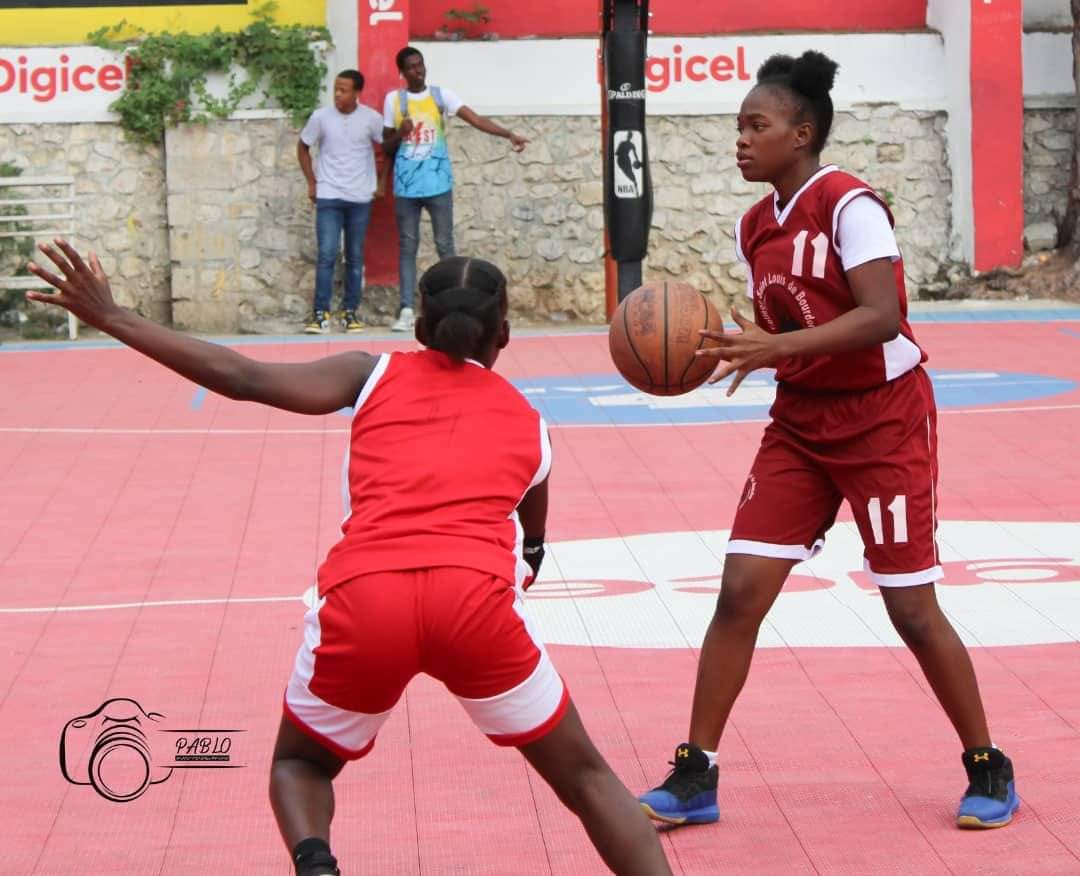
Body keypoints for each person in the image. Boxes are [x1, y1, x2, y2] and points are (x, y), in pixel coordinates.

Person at [26, 244, 673, 876]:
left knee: (299, 765)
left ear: (418, 323)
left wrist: (115, 317)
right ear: (503, 332)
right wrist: (523, 562)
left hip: (367, 597)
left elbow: (242, 377)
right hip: (474, 605)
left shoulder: (370, 374)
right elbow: (533, 538)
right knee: (588, 779)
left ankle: (317, 864)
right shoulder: (531, 424)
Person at [637, 51, 1020, 831]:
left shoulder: (849, 204)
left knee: (911, 609)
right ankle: (695, 774)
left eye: (758, 126)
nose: (741, 140)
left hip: (881, 419)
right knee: (739, 590)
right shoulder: (756, 225)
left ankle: (989, 763)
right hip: (801, 423)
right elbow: (792, 328)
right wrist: (742, 347)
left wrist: (776, 349)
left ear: (801, 133)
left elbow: (880, 315)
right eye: (739, 126)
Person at [382, 46, 528, 333]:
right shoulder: (394, 101)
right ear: (402, 72)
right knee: (408, 248)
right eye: (411, 67)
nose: (418, 70)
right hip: (406, 187)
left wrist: (508, 134)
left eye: (421, 64)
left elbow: (475, 120)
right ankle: (406, 309)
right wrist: (402, 133)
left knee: (445, 244)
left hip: (438, 184)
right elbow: (386, 146)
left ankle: (454, 301)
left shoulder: (440, 96)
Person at [298, 69, 385, 335]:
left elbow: (387, 149)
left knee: (355, 257)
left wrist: (380, 182)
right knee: (326, 254)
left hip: (359, 197)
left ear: (357, 93)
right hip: (329, 195)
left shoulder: (371, 119)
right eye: (336, 88)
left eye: (344, 89)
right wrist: (312, 181)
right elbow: (302, 146)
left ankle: (350, 312)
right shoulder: (320, 118)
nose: (338, 94)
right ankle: (320, 314)